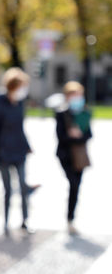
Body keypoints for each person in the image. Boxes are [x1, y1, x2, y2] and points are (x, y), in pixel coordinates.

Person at [0, 67, 39, 236]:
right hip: (3, 153)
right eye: (21, 86)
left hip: (19, 151)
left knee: (23, 187)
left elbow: (20, 128)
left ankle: (25, 221)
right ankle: (5, 222)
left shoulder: (19, 104)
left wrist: (27, 145)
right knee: (8, 189)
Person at [55, 81, 92, 235]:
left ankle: (71, 218)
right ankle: (69, 218)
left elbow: (89, 134)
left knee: (76, 187)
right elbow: (61, 136)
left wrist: (78, 135)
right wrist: (73, 136)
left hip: (80, 156)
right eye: (75, 95)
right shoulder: (62, 113)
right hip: (66, 155)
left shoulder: (85, 113)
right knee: (73, 183)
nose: (78, 98)